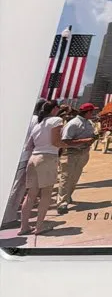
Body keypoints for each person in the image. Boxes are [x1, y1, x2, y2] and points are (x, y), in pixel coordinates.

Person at [19, 100, 63, 236]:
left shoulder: (38, 125)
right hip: (47, 158)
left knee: (30, 195)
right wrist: (71, 144)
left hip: (34, 158)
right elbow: (56, 142)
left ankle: (24, 227)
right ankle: (39, 227)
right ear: (54, 109)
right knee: (46, 194)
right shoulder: (56, 120)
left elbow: (29, 146)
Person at [56, 102, 99, 212]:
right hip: (71, 153)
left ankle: (67, 196)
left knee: (75, 178)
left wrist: (93, 138)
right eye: (92, 112)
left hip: (83, 153)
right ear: (87, 112)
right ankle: (62, 203)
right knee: (66, 178)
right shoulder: (73, 123)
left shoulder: (89, 123)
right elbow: (66, 140)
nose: (93, 113)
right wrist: (85, 140)